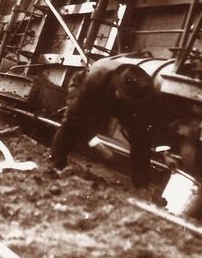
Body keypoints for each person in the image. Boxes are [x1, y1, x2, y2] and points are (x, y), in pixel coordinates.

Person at [50, 57, 155, 188]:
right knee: (71, 124)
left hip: (114, 99)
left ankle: (141, 183)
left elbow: (142, 132)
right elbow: (76, 118)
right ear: (118, 87)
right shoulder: (96, 80)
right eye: (124, 96)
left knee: (140, 135)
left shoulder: (138, 89)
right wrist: (95, 143)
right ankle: (56, 164)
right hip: (82, 85)